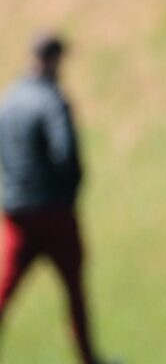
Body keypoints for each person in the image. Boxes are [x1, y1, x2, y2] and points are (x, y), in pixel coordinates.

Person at [0, 34, 104, 364]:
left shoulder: (8, 100)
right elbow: (66, 154)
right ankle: (87, 357)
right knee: (74, 288)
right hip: (53, 210)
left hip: (16, 209)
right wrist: (70, 190)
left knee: (6, 286)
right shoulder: (51, 101)